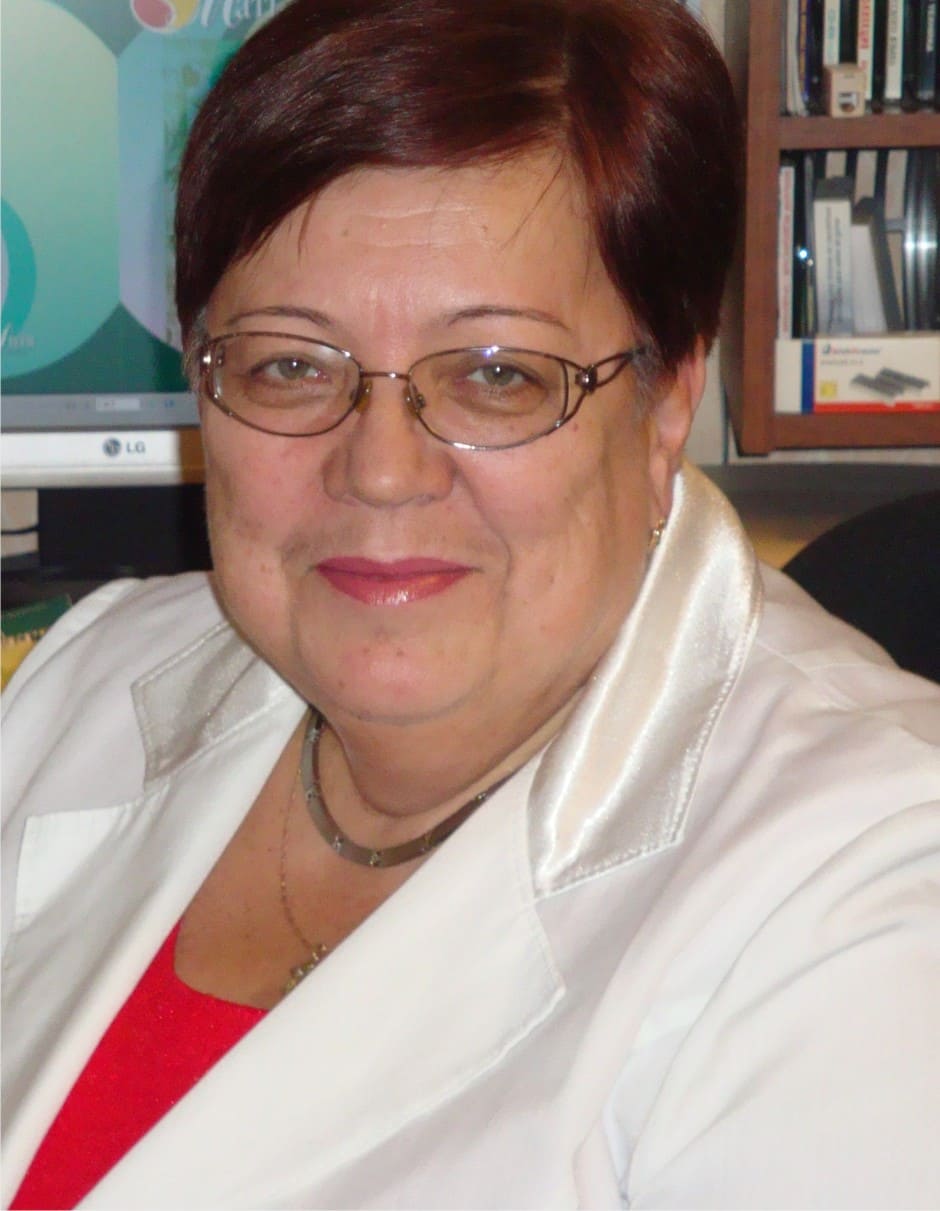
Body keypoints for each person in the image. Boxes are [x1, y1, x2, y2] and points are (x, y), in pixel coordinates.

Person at [2, 0, 938, 1206]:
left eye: (497, 375)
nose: (381, 469)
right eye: (290, 364)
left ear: (665, 398)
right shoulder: (85, 680)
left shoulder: (874, 886)